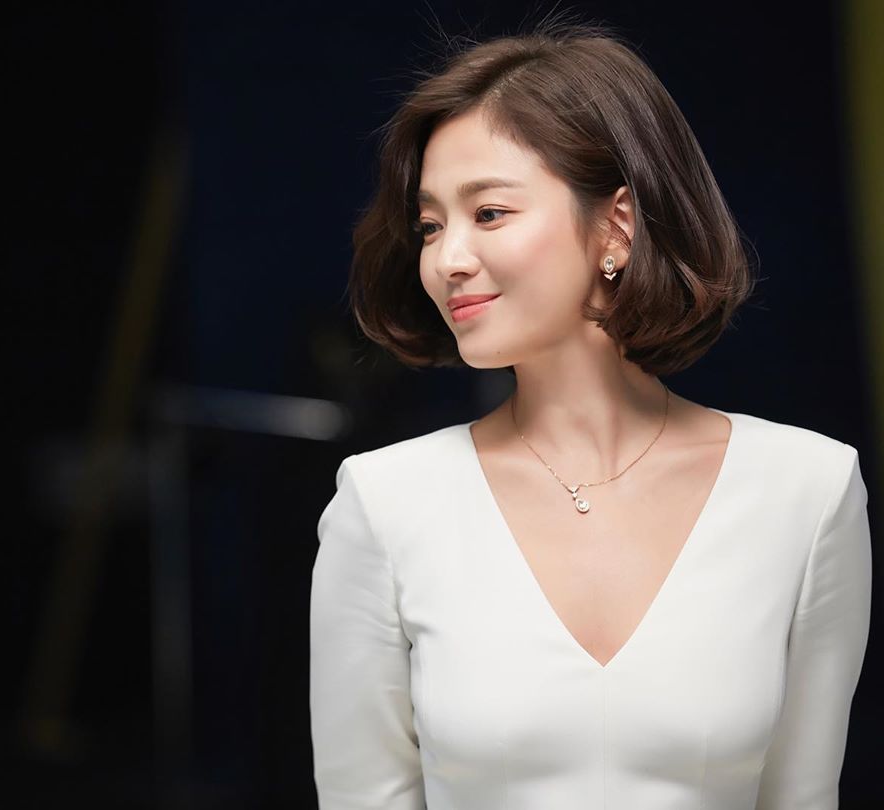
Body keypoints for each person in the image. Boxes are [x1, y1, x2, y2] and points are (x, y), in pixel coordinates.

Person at [308, 17, 872, 810]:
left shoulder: (807, 491)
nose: (446, 259)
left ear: (617, 226)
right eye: (431, 226)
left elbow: (803, 797)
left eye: (489, 213)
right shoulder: (382, 504)